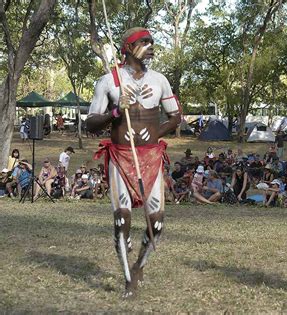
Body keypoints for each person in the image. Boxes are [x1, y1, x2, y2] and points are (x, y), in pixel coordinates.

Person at [86, 27, 181, 297]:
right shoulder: (109, 82)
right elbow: (91, 123)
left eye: (151, 42)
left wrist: (156, 132)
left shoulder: (160, 80)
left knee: (158, 224)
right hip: (120, 156)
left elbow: (175, 117)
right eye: (144, 43)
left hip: (151, 157)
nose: (150, 47)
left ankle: (139, 265)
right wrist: (115, 111)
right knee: (121, 222)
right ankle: (128, 279)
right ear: (128, 48)